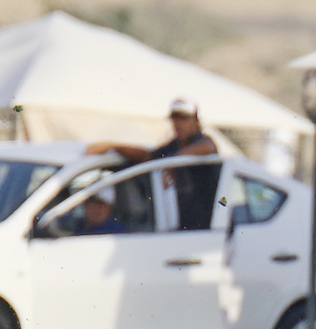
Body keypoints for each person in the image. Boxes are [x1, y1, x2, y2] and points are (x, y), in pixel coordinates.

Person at [87, 97, 220, 231]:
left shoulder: (202, 142)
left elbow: (208, 147)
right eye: (175, 119)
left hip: (207, 227)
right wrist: (114, 146)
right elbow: (148, 156)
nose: (179, 124)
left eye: (184, 119)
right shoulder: (174, 146)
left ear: (196, 121)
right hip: (182, 226)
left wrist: (172, 164)